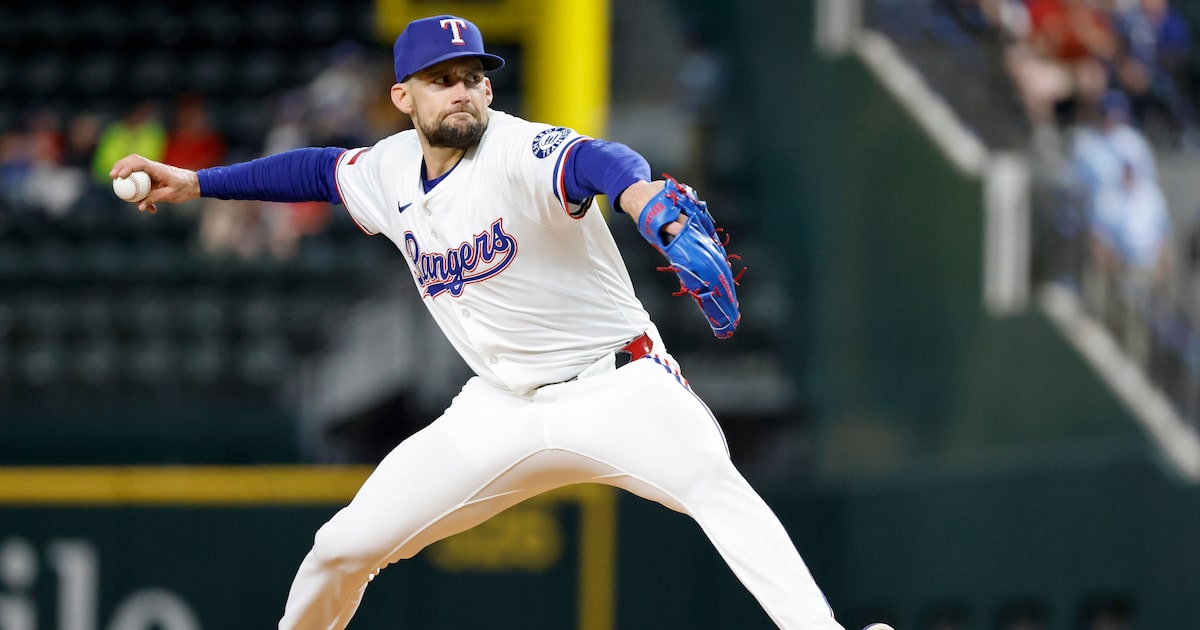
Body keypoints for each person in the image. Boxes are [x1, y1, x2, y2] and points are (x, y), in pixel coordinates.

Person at [110, 15, 892, 630]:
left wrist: (644, 200)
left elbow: (597, 158)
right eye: (441, 79)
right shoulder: (388, 169)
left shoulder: (518, 148)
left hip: (616, 387)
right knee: (339, 548)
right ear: (403, 97)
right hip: (498, 408)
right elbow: (315, 169)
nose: (463, 92)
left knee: (717, 489)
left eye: (474, 78)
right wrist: (196, 182)